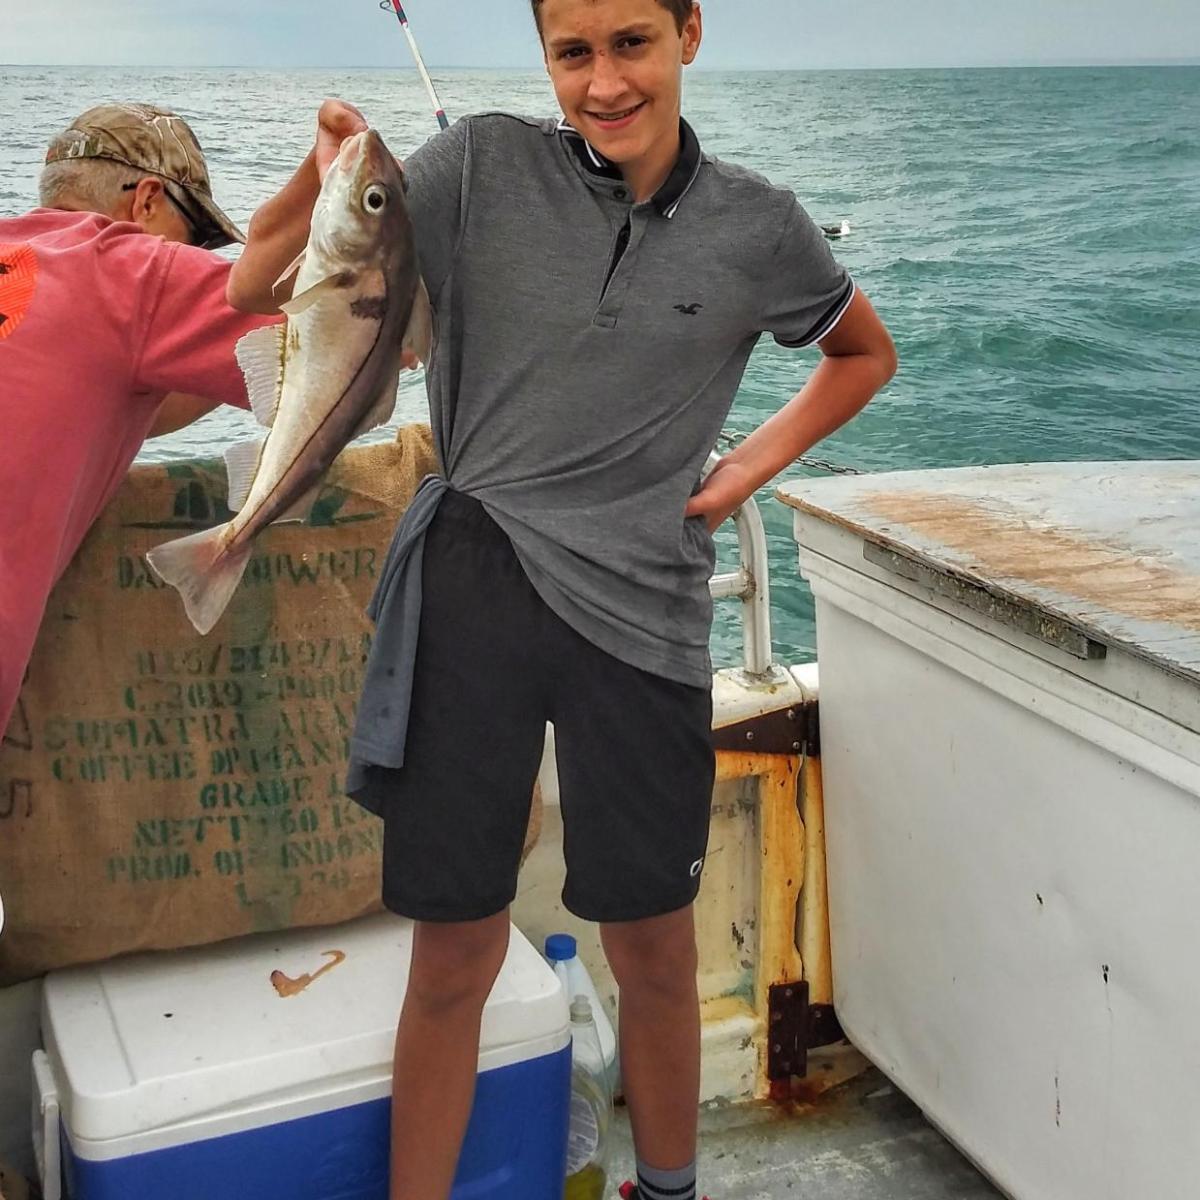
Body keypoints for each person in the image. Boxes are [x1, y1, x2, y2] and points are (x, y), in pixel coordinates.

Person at [229, 2, 897, 1197]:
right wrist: (324, 168)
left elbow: (862, 354)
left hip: (642, 616)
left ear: (690, 34)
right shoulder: (478, 163)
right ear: (545, 56)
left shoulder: (761, 225)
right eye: (573, 52)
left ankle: (671, 1186)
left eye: (631, 42)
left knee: (650, 942)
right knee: (452, 952)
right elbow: (255, 290)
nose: (603, 82)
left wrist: (744, 468)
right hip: (472, 586)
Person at [0, 99, 365, 738]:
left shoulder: (30, 268)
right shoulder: (134, 270)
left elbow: (131, 401)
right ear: (145, 202)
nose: (204, 262)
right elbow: (351, 350)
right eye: (198, 240)